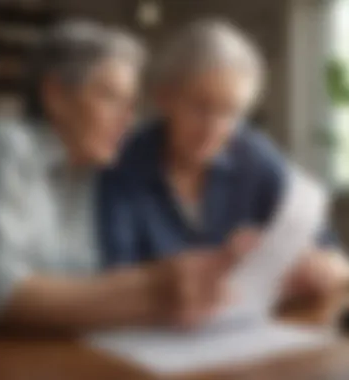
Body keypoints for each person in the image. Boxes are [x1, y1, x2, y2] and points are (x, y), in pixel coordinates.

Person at [0, 21, 251, 333]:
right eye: (109, 97)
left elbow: (97, 282)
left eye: (131, 104)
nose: (127, 119)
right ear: (56, 95)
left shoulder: (96, 172)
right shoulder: (3, 145)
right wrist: (152, 288)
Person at [101, 20, 349, 301]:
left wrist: (319, 267)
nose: (213, 128)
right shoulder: (124, 163)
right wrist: (222, 264)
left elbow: (335, 257)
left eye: (230, 112)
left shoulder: (252, 154)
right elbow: (114, 277)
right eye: (200, 106)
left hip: (246, 333)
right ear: (164, 97)